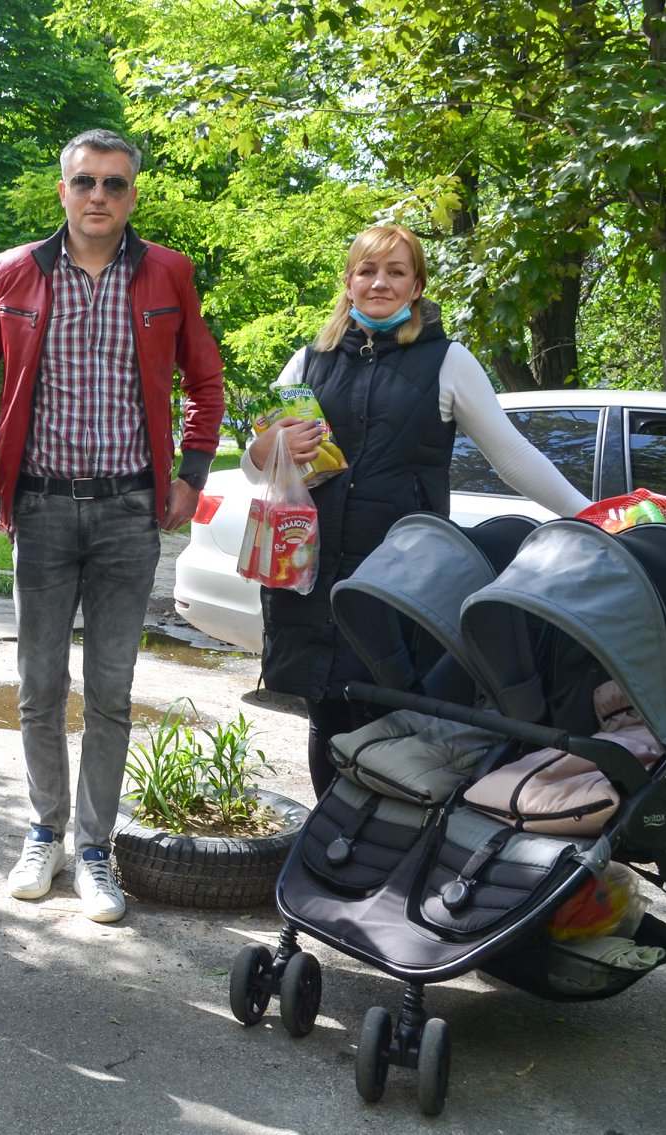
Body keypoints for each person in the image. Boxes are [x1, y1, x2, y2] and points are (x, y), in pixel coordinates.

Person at [0, 128, 226, 923]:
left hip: (127, 512)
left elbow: (203, 384)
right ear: (63, 190)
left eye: (113, 183)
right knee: (40, 687)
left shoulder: (167, 272)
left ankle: (96, 850)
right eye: (84, 183)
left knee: (111, 691)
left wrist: (190, 476)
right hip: (38, 506)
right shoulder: (14, 270)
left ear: (132, 194)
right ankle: (44, 830)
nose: (98, 196)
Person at [244, 223, 593, 798]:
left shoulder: (449, 361)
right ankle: (329, 850)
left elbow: (510, 454)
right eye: (367, 271)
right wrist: (265, 449)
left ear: (416, 285)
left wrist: (591, 514)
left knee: (392, 723)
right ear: (349, 282)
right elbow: (261, 466)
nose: (380, 282)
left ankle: (382, 855)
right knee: (326, 716)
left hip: (400, 578)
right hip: (311, 572)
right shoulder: (309, 362)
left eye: (396, 271)